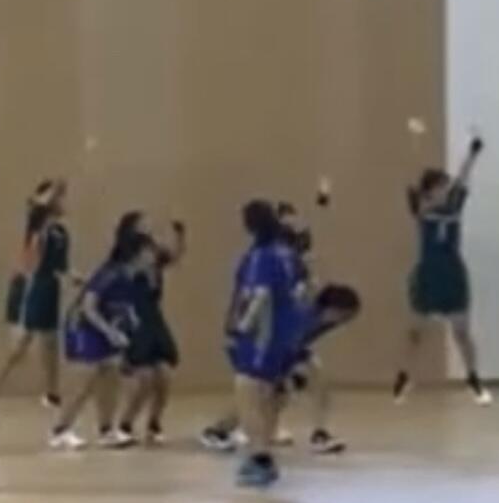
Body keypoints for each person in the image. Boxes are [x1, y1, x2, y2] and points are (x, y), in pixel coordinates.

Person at [200, 283, 361, 455]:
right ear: (332, 309)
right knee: (258, 395)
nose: (346, 320)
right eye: (345, 315)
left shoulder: (323, 321)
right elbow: (278, 344)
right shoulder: (301, 318)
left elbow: (299, 346)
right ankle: (218, 431)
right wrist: (281, 376)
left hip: (284, 352)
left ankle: (318, 433)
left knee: (309, 377)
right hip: (256, 350)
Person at [393, 138, 493, 405]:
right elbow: (412, 186)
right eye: (441, 187)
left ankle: (473, 377)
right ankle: (404, 376)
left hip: (452, 274)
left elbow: (463, 177)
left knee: (462, 332)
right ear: (429, 191)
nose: (446, 191)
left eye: (446, 187)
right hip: (428, 275)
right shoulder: (422, 210)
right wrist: (413, 146)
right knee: (416, 333)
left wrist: (472, 153)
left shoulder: (455, 206)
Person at [49, 233, 156, 450]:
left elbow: (123, 307)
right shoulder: (110, 274)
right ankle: (60, 430)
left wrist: (130, 324)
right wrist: (109, 332)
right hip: (84, 326)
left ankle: (106, 430)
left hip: (107, 329)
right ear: (136, 253)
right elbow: (88, 306)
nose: (153, 255)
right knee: (85, 380)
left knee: (111, 376)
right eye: (149, 251)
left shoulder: (133, 277)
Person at [223, 200, 302, 487]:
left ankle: (259, 458)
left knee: (247, 389)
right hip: (286, 330)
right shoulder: (287, 253)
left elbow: (261, 294)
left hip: (263, 334)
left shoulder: (261, 256)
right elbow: (300, 288)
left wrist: (243, 325)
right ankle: (264, 451)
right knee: (267, 393)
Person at [0, 180, 81, 407]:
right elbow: (37, 209)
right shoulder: (37, 226)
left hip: (51, 289)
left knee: (51, 342)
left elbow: (61, 265)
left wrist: (73, 276)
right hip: (33, 286)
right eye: (57, 198)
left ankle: (51, 392)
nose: (62, 201)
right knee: (21, 345)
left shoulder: (61, 232)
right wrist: (54, 190)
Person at [111, 212, 185, 445]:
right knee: (144, 378)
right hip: (136, 322)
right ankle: (125, 423)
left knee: (164, 375)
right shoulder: (124, 267)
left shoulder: (154, 258)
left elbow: (174, 256)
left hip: (154, 320)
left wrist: (180, 235)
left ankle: (154, 422)